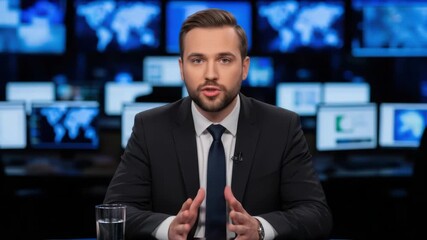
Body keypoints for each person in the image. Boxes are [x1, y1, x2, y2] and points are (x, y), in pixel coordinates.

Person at [104, 9, 332, 240]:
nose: (210, 74)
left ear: (244, 68)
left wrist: (259, 229)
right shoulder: (150, 127)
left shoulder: (282, 127)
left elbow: (316, 214)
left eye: (224, 60)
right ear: (182, 68)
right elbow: (115, 211)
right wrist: (168, 227)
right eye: (197, 60)